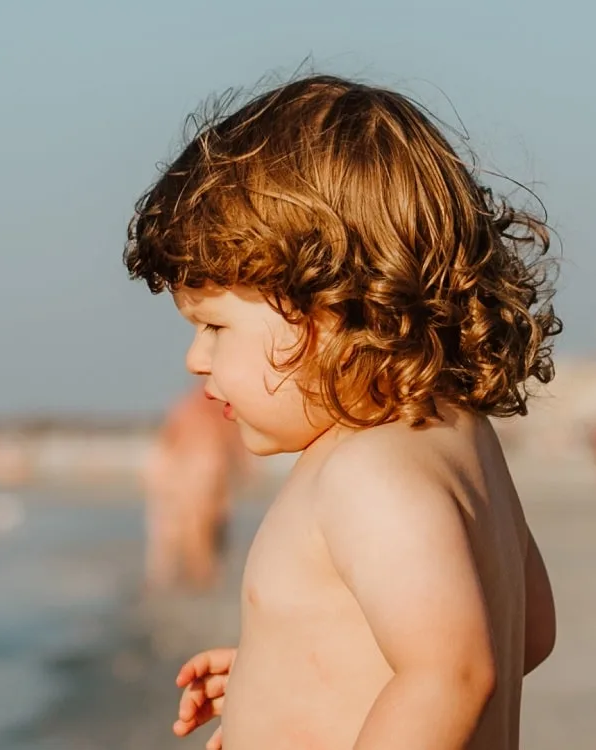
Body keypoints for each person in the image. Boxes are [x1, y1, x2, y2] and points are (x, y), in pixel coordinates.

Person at [124, 74, 560, 750]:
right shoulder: (456, 440)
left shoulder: (367, 472)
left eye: (214, 327)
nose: (196, 359)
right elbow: (525, 631)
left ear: (329, 309)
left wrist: (413, 685)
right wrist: (292, 681)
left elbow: (455, 676)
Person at [141, 382, 248, 591]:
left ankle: (169, 587)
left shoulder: (189, 405)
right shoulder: (209, 407)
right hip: (198, 471)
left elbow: (166, 441)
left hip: (182, 471)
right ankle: (197, 585)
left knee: (170, 541)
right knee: (199, 538)